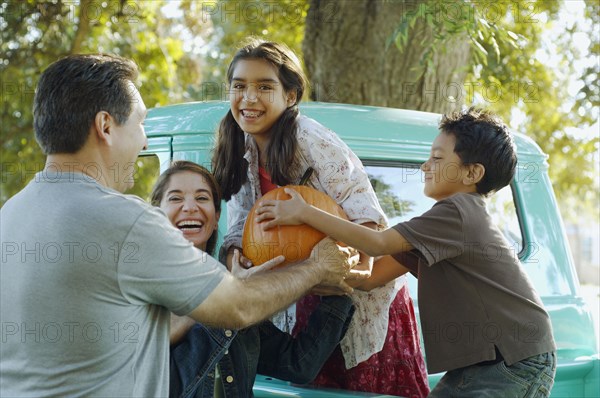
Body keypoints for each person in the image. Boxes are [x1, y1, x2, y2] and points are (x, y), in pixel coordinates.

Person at [0, 54, 359, 397]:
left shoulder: (9, 216)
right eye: (139, 123)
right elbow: (238, 307)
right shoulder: (126, 221)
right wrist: (317, 266)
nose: (142, 141)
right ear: (106, 126)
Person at [257, 107, 558, 397]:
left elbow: (376, 244)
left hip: (513, 358)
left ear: (473, 173)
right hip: (490, 360)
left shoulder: (459, 211)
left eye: (437, 158)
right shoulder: (444, 223)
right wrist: (310, 270)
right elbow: (371, 277)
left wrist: (305, 213)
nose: (425, 166)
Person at [211, 38, 429, 397]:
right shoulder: (239, 145)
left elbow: (367, 218)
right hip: (302, 303)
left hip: (357, 305)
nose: (249, 98)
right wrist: (237, 262)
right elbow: (239, 227)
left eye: (264, 87)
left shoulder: (312, 140)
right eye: (239, 86)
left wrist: (345, 267)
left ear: (291, 95)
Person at [149, 160, 355, 397]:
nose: (190, 207)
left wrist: (340, 285)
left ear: (216, 217)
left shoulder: (236, 287)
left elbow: (298, 364)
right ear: (156, 213)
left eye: (202, 198)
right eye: (175, 198)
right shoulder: (136, 286)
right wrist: (229, 296)